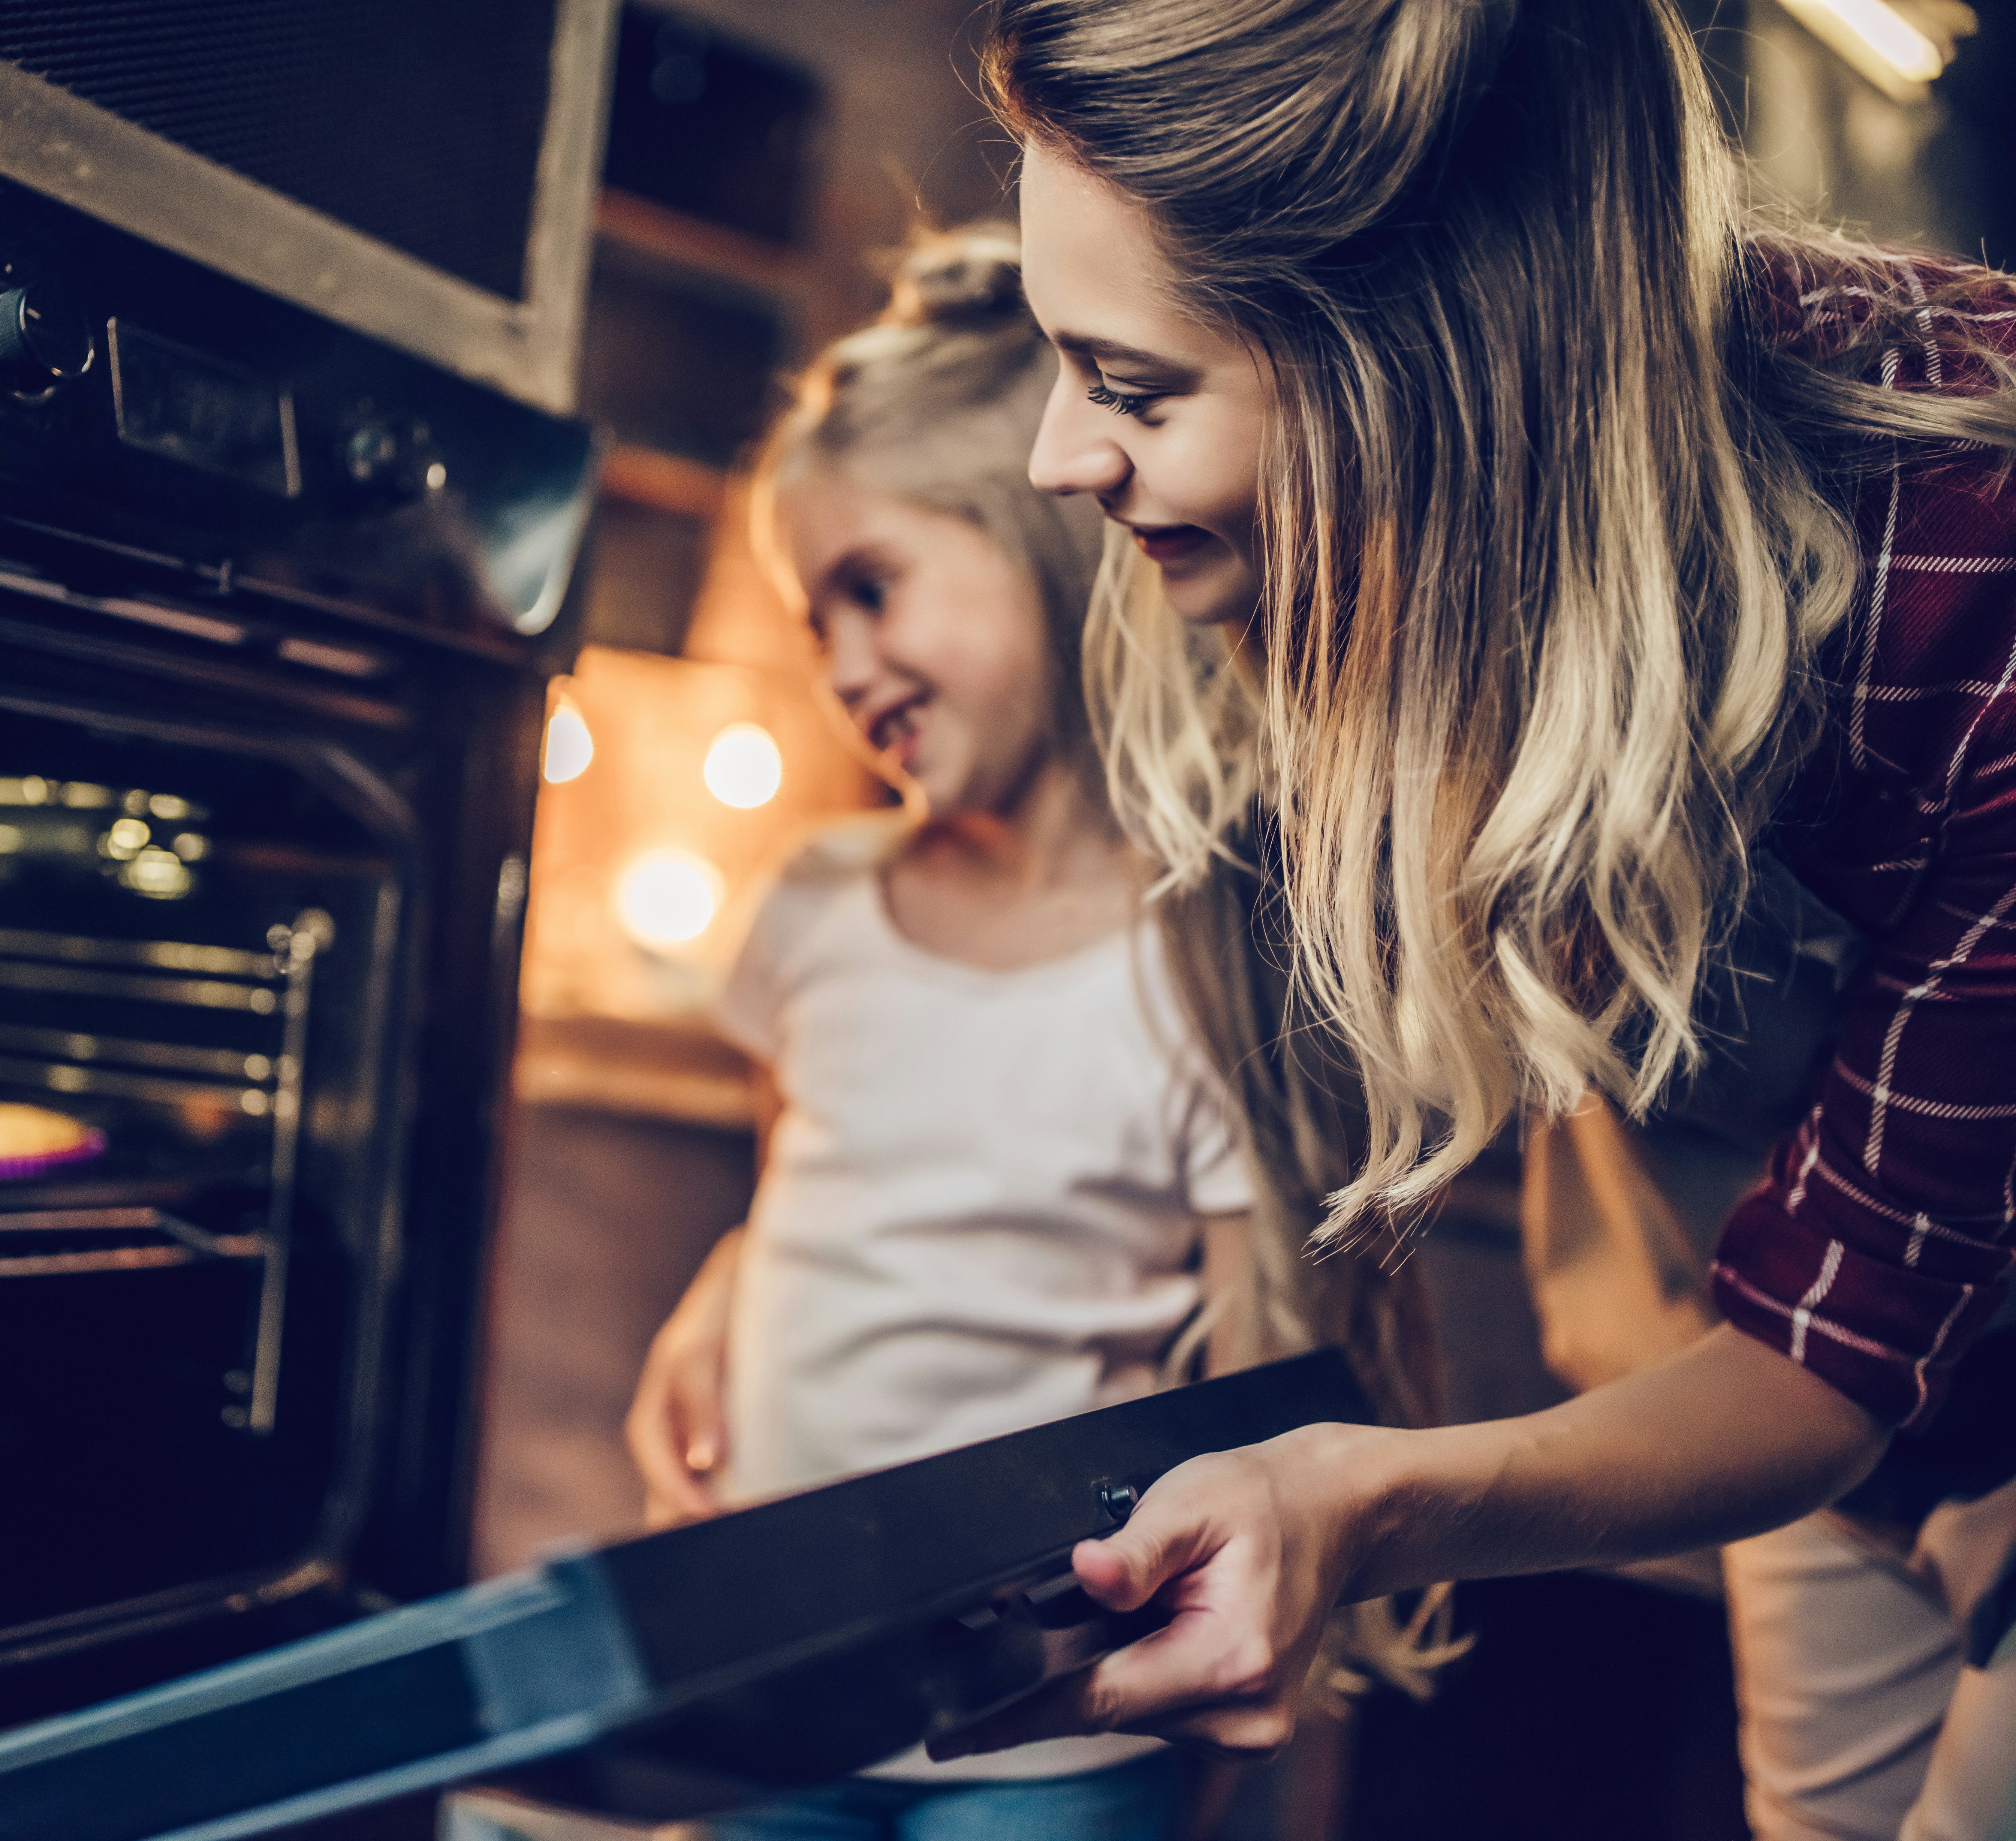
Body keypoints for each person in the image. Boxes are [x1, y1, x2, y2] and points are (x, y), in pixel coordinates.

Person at [932, 3, 2016, 1837]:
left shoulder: (1973, 590)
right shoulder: (1478, 522)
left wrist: (1364, 1500)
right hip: (1862, 1353)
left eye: (1130, 387)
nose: (1058, 458)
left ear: (1421, 377)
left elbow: (1824, 1359)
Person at [621, 226, 1437, 1841]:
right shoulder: (815, 910)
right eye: (813, 625)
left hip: (1055, 1739)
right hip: (780, 1695)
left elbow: (1256, 1380)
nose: (843, 667)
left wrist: (1217, 1717)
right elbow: (824, 1181)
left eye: (872, 587)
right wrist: (717, 1295)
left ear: (1044, 542)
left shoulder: (1203, 969)